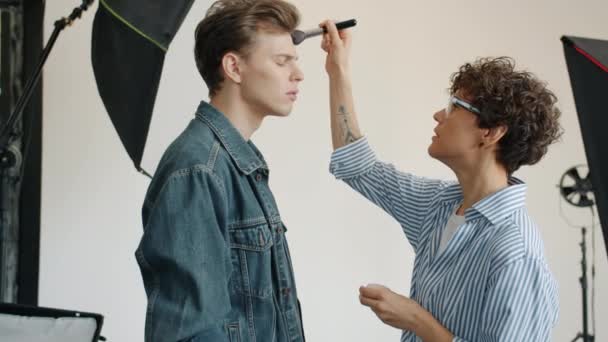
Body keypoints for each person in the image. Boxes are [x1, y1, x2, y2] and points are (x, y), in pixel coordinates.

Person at [320, 20, 561, 341]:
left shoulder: (516, 251)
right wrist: (338, 69)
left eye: (454, 106)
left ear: (490, 132)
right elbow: (359, 168)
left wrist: (417, 320)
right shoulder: (439, 205)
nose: (439, 115)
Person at [135, 1, 305, 341]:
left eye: (295, 61)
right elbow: (190, 332)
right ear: (234, 67)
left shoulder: (240, 163)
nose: (298, 74)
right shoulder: (197, 169)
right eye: (281, 61)